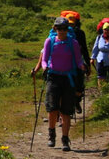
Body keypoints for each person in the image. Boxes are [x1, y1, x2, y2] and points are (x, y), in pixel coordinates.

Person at [32, 16, 86, 151]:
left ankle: (65, 140)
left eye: (64, 28)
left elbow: (78, 60)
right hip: (53, 77)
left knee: (66, 111)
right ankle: (51, 136)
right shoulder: (49, 41)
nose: (61, 31)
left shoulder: (73, 43)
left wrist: (82, 66)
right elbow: (44, 59)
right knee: (52, 109)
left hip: (68, 78)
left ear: (67, 29)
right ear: (55, 28)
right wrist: (45, 68)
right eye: (59, 28)